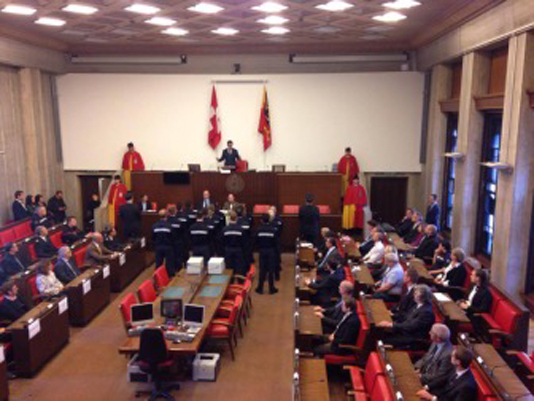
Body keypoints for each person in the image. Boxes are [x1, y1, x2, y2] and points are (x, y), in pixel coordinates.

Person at [378, 284, 435, 349]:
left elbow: (411, 326)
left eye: (416, 293)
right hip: (405, 330)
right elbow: (406, 316)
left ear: (423, 296)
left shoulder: (426, 312)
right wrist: (393, 315)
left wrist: (392, 325)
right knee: (381, 332)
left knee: (383, 339)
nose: (414, 295)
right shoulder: (418, 304)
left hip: (412, 337)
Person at [414, 324, 455, 393]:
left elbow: (438, 376)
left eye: (431, 332)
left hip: (431, 382)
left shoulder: (448, 355)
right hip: (423, 372)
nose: (429, 332)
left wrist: (421, 376)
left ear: (438, 338)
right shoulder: (435, 342)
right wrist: (417, 367)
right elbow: (426, 356)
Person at [254, 214, 279, 295]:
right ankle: (271, 288)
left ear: (261, 220)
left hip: (262, 251)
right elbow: (276, 242)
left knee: (262, 270)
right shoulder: (273, 230)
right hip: (271, 251)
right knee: (271, 270)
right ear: (269, 220)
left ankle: (260, 288)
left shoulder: (259, 230)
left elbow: (256, 241)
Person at [221, 211, 246, 276]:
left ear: (229, 218)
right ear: (237, 218)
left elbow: (222, 241)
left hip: (228, 250)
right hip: (238, 250)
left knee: (229, 269)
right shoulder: (241, 230)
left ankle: (230, 282)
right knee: (239, 268)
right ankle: (240, 283)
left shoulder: (225, 229)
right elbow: (244, 241)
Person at [152, 209, 175, 277]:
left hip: (158, 247)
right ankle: (169, 277)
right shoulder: (169, 226)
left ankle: (157, 277)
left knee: (158, 263)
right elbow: (172, 237)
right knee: (169, 263)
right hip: (168, 247)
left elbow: (153, 237)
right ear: (166, 216)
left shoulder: (154, 226)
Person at [167, 205, 185, 272]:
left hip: (169, 242)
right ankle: (179, 270)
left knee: (170, 257)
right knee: (178, 256)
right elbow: (182, 231)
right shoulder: (178, 222)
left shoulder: (167, 222)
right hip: (178, 241)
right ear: (175, 211)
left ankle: (171, 270)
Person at [268, 206, 283, 280]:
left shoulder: (278, 219)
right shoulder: (267, 222)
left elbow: (280, 228)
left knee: (276, 258)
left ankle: (277, 274)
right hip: (269, 244)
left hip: (276, 241)